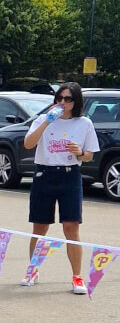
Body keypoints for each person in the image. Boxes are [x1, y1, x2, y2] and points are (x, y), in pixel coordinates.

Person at [20, 82, 99, 293]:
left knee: (71, 227)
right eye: (59, 98)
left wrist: (79, 152)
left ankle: (77, 277)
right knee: (40, 226)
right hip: (44, 174)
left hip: (69, 175)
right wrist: (47, 121)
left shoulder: (84, 123)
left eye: (68, 99)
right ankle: (33, 270)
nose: (62, 103)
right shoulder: (42, 119)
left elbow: (90, 154)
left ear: (76, 102)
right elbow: (28, 144)